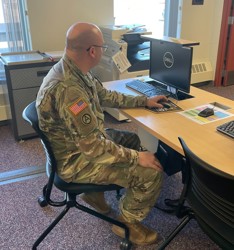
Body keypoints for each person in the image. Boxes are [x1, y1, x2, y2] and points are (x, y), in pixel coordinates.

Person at [36, 22, 168, 246]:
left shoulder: (75, 70)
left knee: (134, 140)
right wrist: (138, 158)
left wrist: (144, 101)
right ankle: (126, 224)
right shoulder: (69, 89)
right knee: (151, 172)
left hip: (79, 145)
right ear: (92, 51)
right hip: (77, 161)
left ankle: (95, 195)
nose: (104, 51)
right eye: (103, 47)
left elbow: (105, 96)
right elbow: (94, 148)